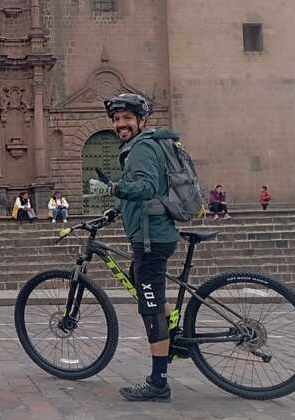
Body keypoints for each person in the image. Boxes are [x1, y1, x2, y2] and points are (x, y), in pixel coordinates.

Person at [88, 93, 178, 402]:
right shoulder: (139, 146)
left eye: (127, 118)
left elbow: (146, 187)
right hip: (152, 234)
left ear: (141, 121)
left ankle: (158, 382)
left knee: (149, 308)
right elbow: (141, 190)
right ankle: (174, 328)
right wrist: (114, 209)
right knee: (145, 287)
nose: (120, 124)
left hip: (151, 238)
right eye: (116, 119)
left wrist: (113, 187)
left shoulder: (141, 148)